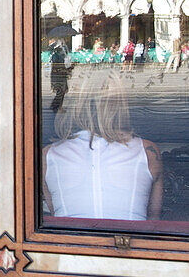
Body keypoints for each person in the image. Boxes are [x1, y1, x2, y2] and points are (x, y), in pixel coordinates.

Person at [43, 69, 163, 221]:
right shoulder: (148, 152)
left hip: (71, 242)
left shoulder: (48, 155)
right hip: (127, 242)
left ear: (77, 102)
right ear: (122, 104)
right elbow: (154, 220)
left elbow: (56, 214)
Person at [49, 40, 72, 111]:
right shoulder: (56, 56)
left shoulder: (60, 56)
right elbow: (58, 67)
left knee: (62, 92)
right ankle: (56, 106)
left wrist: (69, 68)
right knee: (60, 92)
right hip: (58, 76)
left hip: (60, 76)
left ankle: (56, 105)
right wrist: (67, 70)